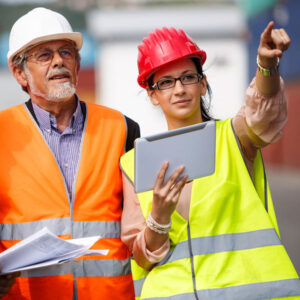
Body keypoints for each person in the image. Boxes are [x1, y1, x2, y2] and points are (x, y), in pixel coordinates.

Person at [120, 23, 300, 299]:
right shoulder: (134, 164)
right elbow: (142, 256)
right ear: (153, 95)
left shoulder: (234, 137)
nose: (179, 89)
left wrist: (266, 65)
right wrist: (159, 217)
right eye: (166, 82)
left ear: (203, 84)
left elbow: (264, 110)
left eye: (188, 77)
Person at [0, 7, 139, 299]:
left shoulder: (123, 129)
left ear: (77, 64)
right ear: (19, 73)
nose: (59, 62)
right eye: (45, 55)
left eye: (66, 52)